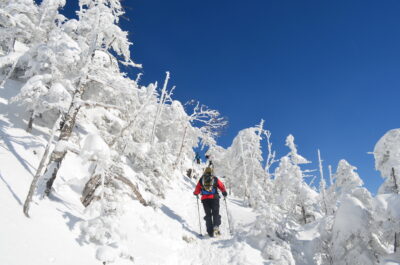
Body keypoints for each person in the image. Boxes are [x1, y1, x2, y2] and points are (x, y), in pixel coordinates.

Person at [193, 167, 227, 237]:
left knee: (208, 215)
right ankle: (216, 226)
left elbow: (197, 189)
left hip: (205, 200)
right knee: (215, 213)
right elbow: (221, 186)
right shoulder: (214, 178)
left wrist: (196, 193)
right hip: (214, 198)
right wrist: (224, 192)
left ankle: (210, 232)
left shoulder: (202, 179)